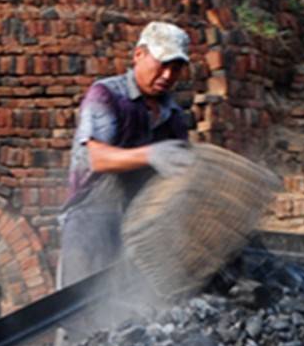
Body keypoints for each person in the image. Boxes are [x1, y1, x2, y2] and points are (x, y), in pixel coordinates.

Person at [57, 21, 199, 287]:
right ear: (139, 55)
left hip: (141, 228)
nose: (168, 75)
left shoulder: (174, 114)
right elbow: (95, 158)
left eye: (176, 68)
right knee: (83, 315)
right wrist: (151, 155)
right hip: (92, 223)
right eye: (162, 64)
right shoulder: (107, 95)